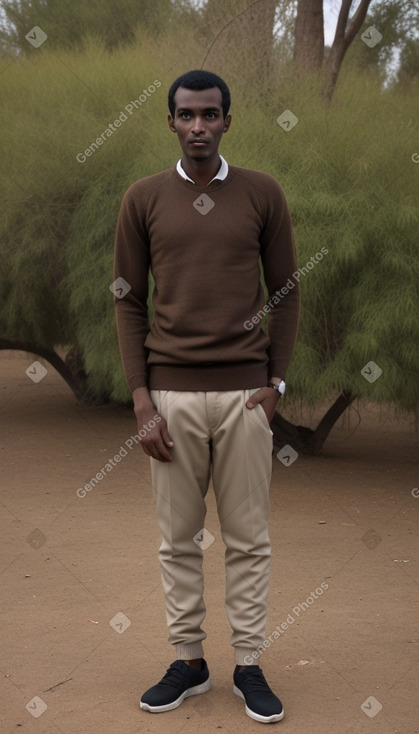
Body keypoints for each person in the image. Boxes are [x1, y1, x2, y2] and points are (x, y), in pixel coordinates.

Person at [113, 69, 300, 724]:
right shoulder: (143, 199)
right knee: (178, 540)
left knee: (248, 538)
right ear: (169, 121)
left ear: (227, 120)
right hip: (171, 397)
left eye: (210, 115)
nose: (198, 127)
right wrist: (141, 400)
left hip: (246, 396)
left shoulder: (260, 194)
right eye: (186, 115)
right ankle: (189, 662)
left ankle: (248, 664)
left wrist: (274, 384)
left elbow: (286, 292)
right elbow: (128, 303)